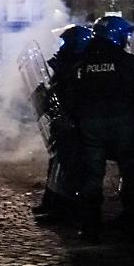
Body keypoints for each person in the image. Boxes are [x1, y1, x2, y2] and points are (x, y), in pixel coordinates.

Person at [59, 15, 134, 240]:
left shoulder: (81, 65)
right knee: (132, 174)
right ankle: (133, 223)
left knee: (91, 176)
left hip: (90, 126)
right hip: (124, 124)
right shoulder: (130, 63)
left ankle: (91, 226)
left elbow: (67, 98)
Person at [32, 24, 93, 222]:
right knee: (58, 166)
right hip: (63, 123)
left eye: (65, 43)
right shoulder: (69, 64)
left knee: (68, 169)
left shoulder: (80, 67)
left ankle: (64, 210)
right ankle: (52, 205)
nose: (61, 47)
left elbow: (73, 95)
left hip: (72, 124)